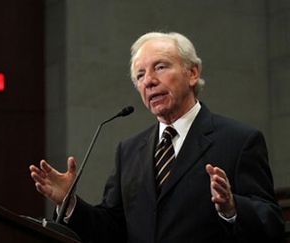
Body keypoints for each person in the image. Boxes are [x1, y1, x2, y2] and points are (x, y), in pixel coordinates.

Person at [29, 32, 284, 243]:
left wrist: (232, 209)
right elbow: (111, 230)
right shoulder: (128, 151)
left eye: (160, 67)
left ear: (192, 73)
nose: (148, 81)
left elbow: (271, 223)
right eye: (140, 76)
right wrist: (70, 202)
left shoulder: (239, 140)